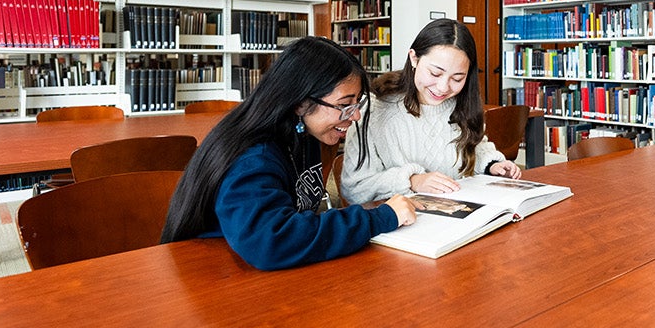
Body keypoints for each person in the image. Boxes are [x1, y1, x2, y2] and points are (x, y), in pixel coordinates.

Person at [162, 36, 416, 269]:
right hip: (216, 271)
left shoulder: (305, 135)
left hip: (260, 269)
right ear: (299, 101)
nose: (355, 115)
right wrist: (378, 218)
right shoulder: (254, 157)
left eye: (356, 103)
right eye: (344, 105)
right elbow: (270, 241)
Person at [340, 18, 521, 204]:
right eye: (435, 73)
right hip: (398, 223)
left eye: (457, 78)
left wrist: (491, 165)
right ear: (414, 58)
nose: (443, 88)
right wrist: (412, 181)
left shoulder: (461, 104)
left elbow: (475, 146)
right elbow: (355, 189)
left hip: (456, 216)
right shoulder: (373, 110)